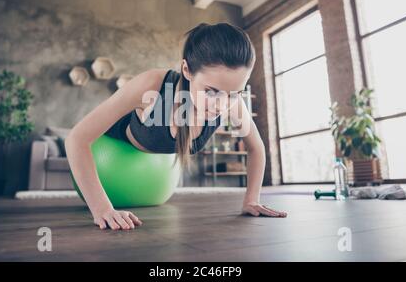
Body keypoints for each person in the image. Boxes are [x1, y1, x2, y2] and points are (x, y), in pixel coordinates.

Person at [65, 22, 287, 231]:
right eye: (211, 91)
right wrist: (101, 208)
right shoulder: (151, 85)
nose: (222, 105)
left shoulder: (231, 103)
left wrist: (251, 200)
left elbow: (256, 148)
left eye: (234, 93)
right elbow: (76, 139)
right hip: (112, 145)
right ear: (187, 70)